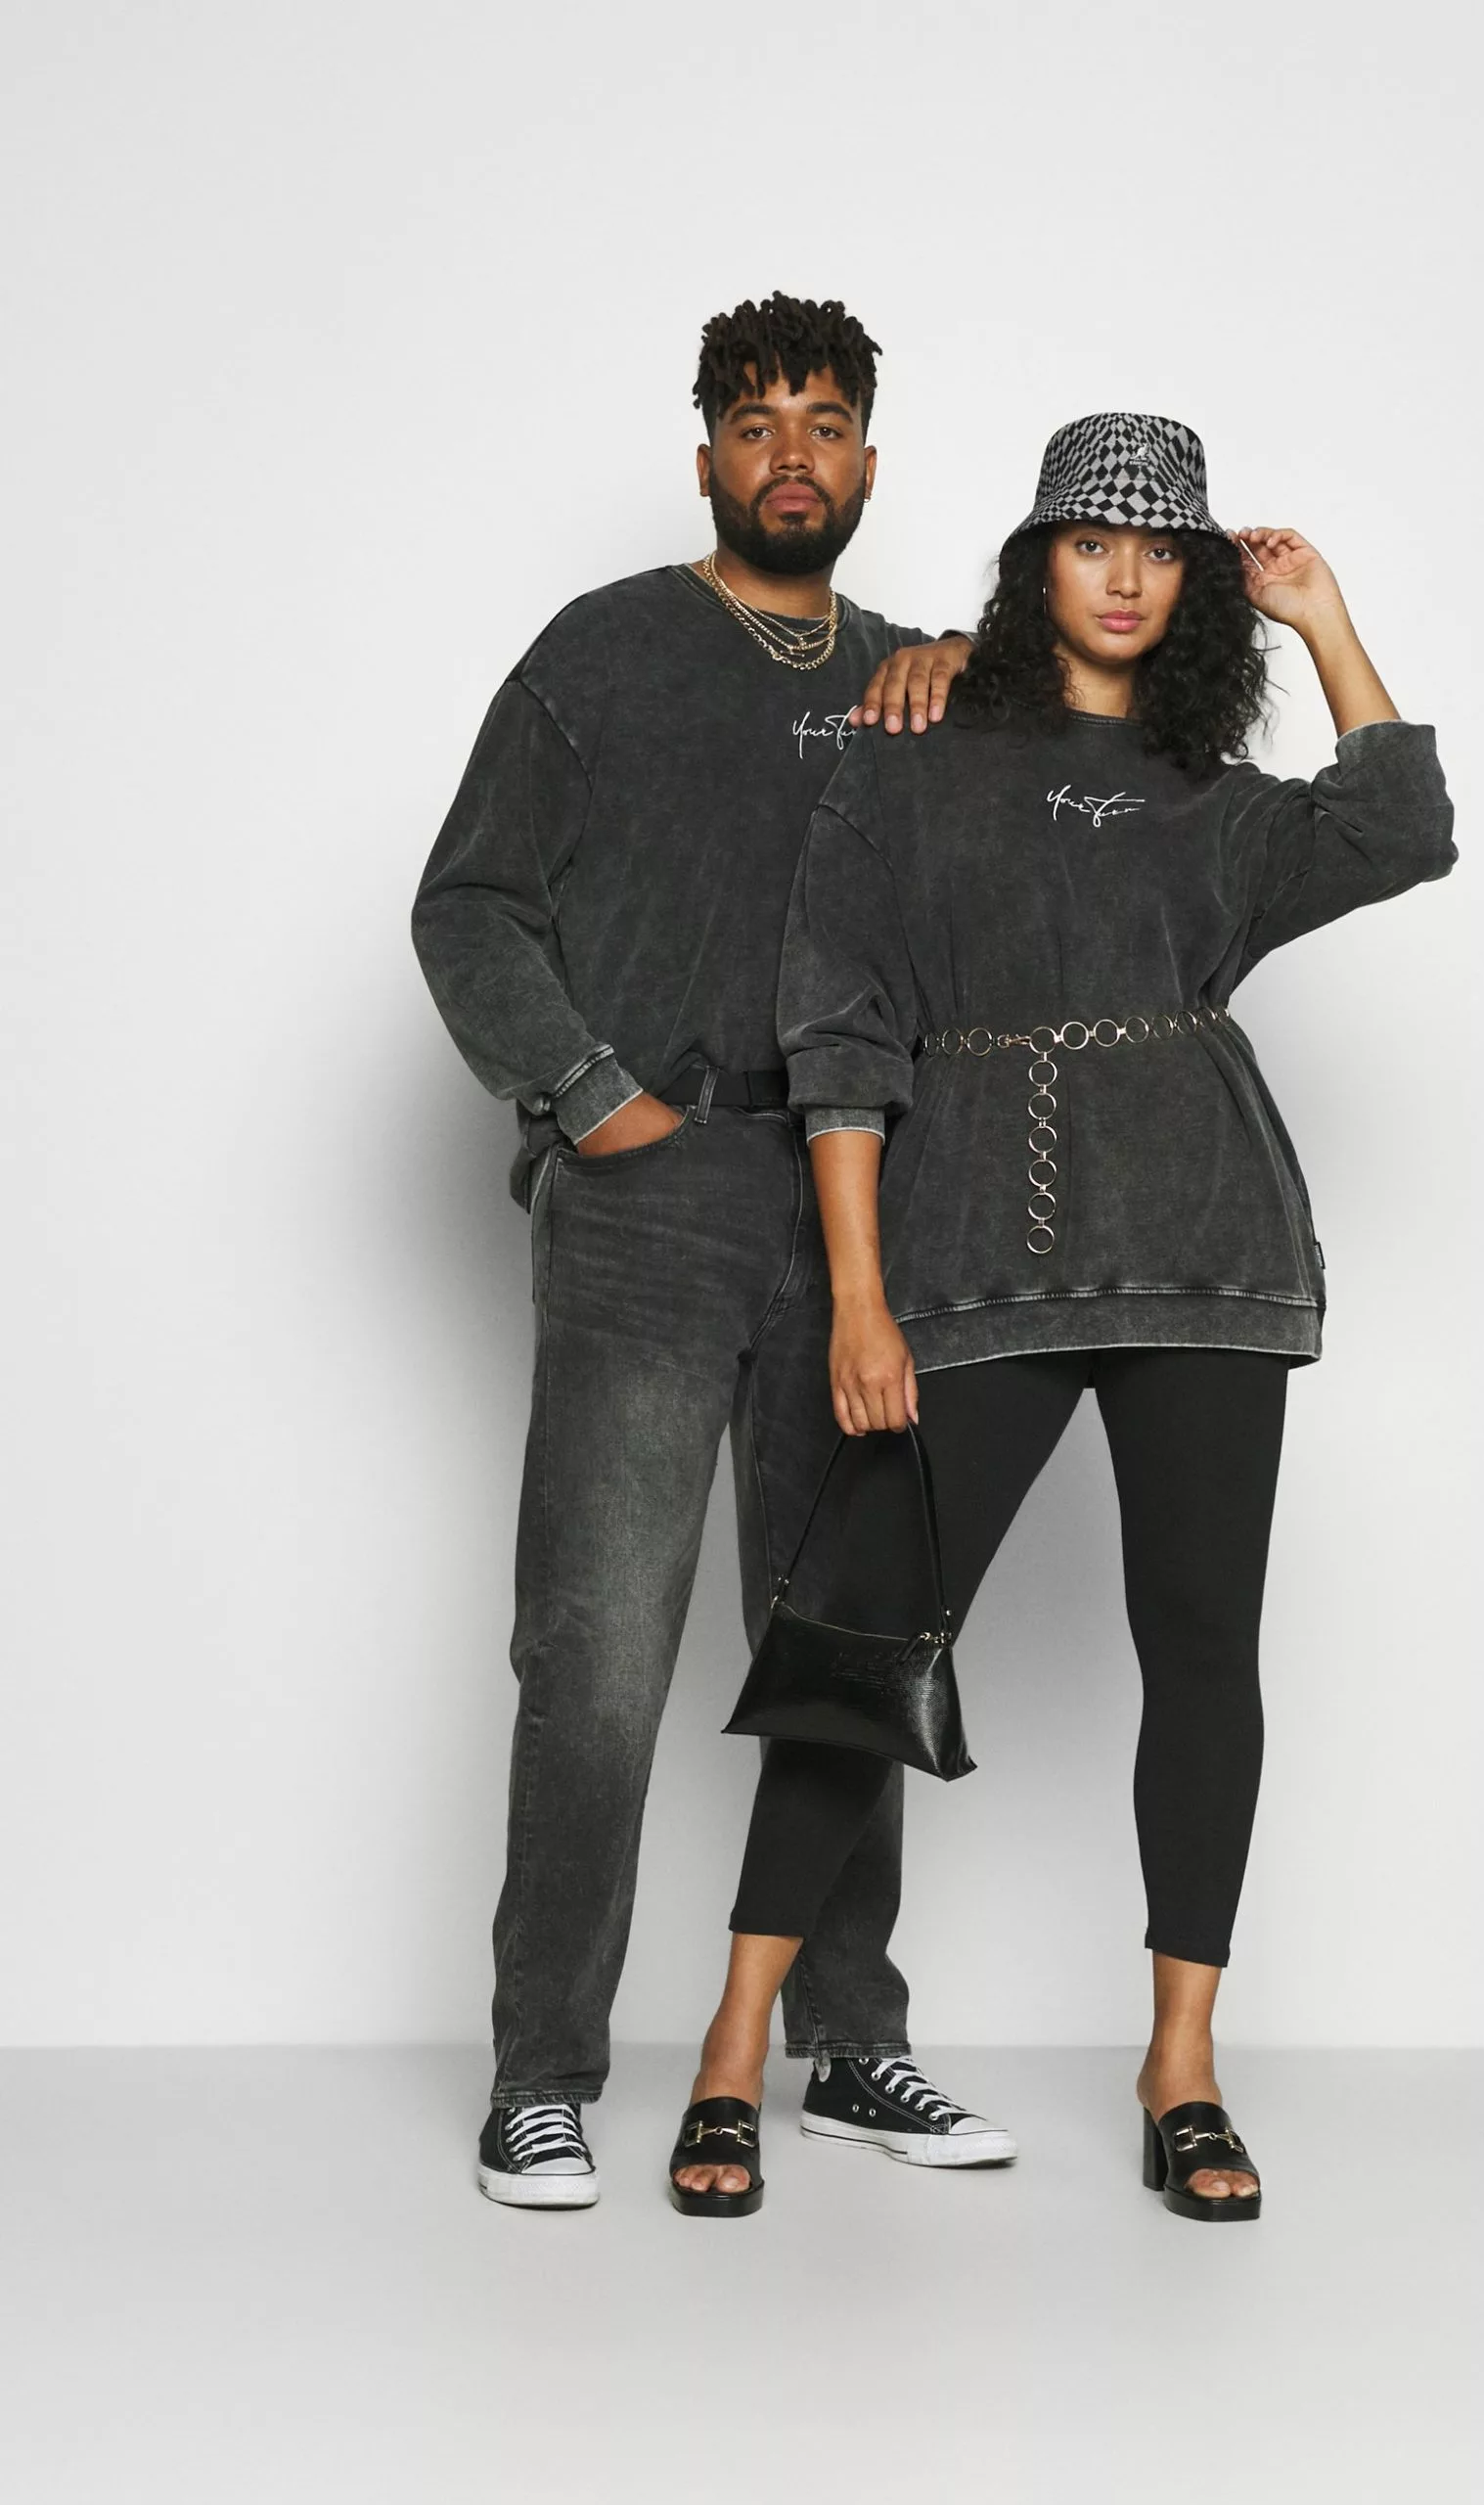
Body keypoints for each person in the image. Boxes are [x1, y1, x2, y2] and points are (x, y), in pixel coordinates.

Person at [670, 411, 1456, 2219]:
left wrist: (1323, 615)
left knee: (1203, 1653)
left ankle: (1182, 2064)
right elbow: (841, 1036)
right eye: (1092, 541)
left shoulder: (1215, 801)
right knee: (859, 1635)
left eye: (1161, 549)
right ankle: (733, 2043)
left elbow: (1402, 827)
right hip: (970, 1267)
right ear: (1037, 565)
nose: (1125, 575)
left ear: (1192, 587)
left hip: (1203, 1255)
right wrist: (860, 1300)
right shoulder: (916, 762)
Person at [412, 294, 1013, 2209]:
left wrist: (980, 666)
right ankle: (542, 2074)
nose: (791, 454)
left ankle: (850, 2039)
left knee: (842, 1636)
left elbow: (1048, 852)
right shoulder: (602, 653)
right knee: (597, 1648)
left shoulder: (917, 676)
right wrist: (591, 1096)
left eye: (824, 422)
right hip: (651, 1204)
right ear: (706, 460)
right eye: (757, 423)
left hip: (856, 1209)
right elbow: (467, 904)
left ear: (868, 461)